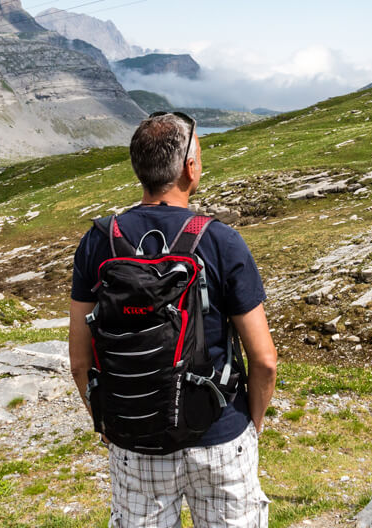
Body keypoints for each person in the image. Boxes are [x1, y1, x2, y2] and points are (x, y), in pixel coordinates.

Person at [69, 112, 278, 528]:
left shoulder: (99, 240)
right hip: (220, 434)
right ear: (189, 167)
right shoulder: (220, 239)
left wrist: (108, 420)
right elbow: (265, 361)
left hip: (134, 438)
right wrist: (248, 428)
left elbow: (79, 360)